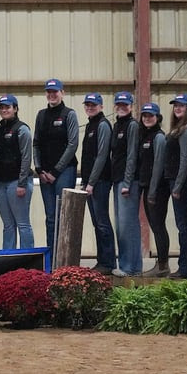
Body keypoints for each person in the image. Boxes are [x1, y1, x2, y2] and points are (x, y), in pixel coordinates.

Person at [33, 79, 79, 255]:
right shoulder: (41, 115)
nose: (52, 95)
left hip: (64, 172)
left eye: (55, 92)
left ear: (62, 93)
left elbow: (73, 144)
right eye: (49, 92)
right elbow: (36, 143)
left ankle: (64, 258)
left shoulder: (69, 114)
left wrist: (56, 171)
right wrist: (39, 169)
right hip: (44, 175)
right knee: (51, 218)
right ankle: (51, 259)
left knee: (63, 217)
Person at [0, 94, 34, 250]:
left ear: (15, 109)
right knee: (8, 225)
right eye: (1, 107)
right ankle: (8, 258)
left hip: (17, 183)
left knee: (23, 224)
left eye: (7, 107)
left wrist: (22, 183)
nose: (4, 110)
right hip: (0, 183)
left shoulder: (22, 129)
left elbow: (27, 157)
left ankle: (27, 259)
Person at [79, 92, 115, 274]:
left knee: (102, 222)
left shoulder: (103, 125)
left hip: (100, 181)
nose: (90, 107)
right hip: (89, 181)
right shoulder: (90, 125)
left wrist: (91, 182)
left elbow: (101, 156)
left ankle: (108, 262)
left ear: (101, 106)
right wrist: (85, 181)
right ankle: (101, 260)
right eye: (88, 104)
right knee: (96, 223)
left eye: (93, 104)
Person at [164, 94, 187, 278]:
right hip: (175, 180)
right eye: (176, 105)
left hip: (181, 182)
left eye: (182, 106)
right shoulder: (177, 129)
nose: (177, 108)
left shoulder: (186, 130)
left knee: (184, 225)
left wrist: (177, 186)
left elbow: (185, 160)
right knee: (183, 224)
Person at [110, 92, 142, 277]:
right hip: (117, 180)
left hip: (127, 181)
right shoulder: (117, 125)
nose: (121, 107)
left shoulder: (132, 126)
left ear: (131, 106)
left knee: (127, 225)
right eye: (119, 104)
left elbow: (131, 155)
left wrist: (127, 182)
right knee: (121, 225)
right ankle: (129, 265)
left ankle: (130, 267)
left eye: (125, 105)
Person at [138, 103, 171, 277]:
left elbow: (158, 164)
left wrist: (152, 190)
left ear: (157, 118)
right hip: (147, 186)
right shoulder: (145, 136)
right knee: (155, 225)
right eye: (144, 116)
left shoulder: (158, 137)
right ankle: (161, 263)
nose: (147, 118)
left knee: (158, 226)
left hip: (157, 189)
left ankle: (163, 264)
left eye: (150, 116)